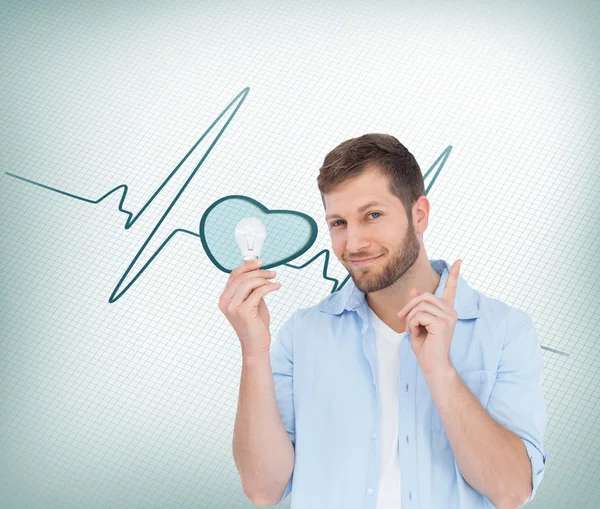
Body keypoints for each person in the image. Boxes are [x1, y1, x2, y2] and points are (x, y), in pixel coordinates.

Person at [221, 134, 547, 509]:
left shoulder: (504, 330)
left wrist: (439, 371)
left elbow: (512, 491)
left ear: (419, 214)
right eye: (338, 222)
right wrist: (253, 353)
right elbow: (264, 489)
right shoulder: (304, 334)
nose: (354, 243)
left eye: (372, 215)